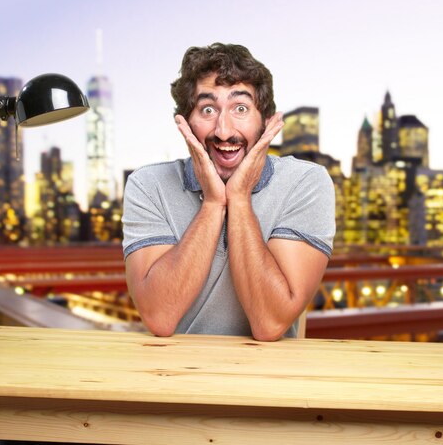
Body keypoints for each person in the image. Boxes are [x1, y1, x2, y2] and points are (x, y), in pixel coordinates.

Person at [122, 43, 335, 341]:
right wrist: (212, 203)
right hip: (172, 378)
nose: (224, 130)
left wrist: (239, 199)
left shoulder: (306, 183)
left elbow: (269, 323)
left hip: (268, 380)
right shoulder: (148, 184)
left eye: (241, 108)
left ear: (266, 121)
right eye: (207, 109)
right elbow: (159, 316)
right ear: (184, 122)